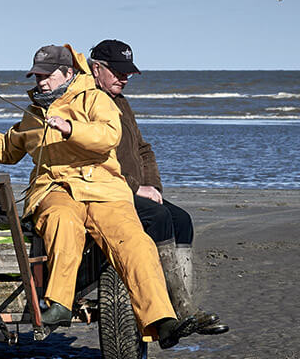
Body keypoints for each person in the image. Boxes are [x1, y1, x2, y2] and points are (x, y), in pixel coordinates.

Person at [0, 44, 207, 349]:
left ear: (68, 73)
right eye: (37, 75)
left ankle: (161, 319)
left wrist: (71, 128)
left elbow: (108, 135)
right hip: (56, 190)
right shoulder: (34, 113)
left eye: (47, 75)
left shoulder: (96, 99)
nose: (40, 81)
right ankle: (59, 305)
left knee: (134, 241)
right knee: (61, 222)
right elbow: (8, 145)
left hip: (104, 190)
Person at [89, 39, 226, 334]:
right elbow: (93, 159)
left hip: (135, 189)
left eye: (128, 72)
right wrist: (137, 189)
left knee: (182, 220)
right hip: (107, 191)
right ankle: (177, 312)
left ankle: (185, 305)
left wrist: (154, 188)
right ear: (96, 68)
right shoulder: (89, 101)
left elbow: (143, 150)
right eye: (117, 71)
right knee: (160, 218)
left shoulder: (121, 101)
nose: (124, 78)